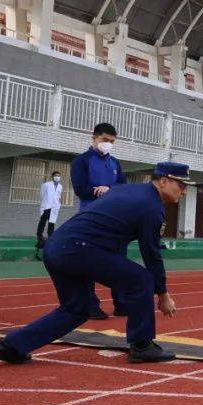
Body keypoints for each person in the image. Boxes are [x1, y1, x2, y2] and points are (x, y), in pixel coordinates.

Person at [0, 162, 192, 365]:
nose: (183, 191)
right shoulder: (151, 207)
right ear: (164, 181)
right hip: (80, 249)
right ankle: (142, 346)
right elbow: (151, 254)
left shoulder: (126, 190)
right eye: (181, 185)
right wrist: (163, 294)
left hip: (56, 246)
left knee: (77, 308)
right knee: (141, 280)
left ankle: (11, 346)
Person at [70, 122, 127, 318]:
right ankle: (90, 305)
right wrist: (97, 190)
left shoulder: (115, 164)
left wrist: (110, 190)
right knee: (88, 263)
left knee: (119, 260)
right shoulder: (82, 161)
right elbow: (79, 189)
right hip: (90, 219)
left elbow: (123, 188)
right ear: (94, 138)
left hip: (114, 219)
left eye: (112, 141)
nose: (108, 144)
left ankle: (122, 303)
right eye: (105, 140)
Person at [34, 170, 63, 260]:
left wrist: (58, 203)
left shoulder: (60, 186)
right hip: (47, 205)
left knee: (52, 222)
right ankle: (39, 234)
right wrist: (44, 205)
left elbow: (59, 196)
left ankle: (51, 236)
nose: (57, 177)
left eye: (58, 176)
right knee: (43, 221)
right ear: (52, 176)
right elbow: (42, 195)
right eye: (56, 175)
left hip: (55, 206)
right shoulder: (46, 184)